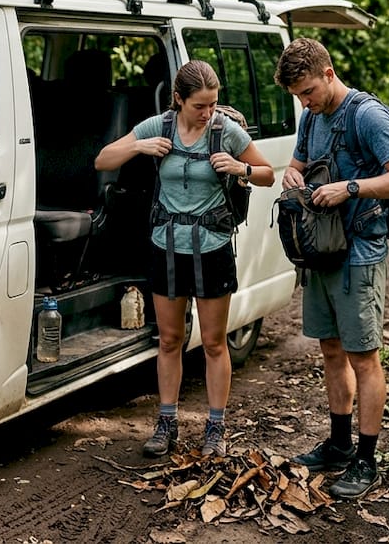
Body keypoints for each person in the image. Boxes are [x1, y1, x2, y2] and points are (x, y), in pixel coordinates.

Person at [95, 59, 274, 459]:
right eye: (200, 106)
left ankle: (215, 427)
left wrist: (240, 167)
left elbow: (267, 173)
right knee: (170, 339)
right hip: (166, 246)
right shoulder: (157, 127)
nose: (209, 113)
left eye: (213, 104)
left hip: (211, 248)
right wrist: (138, 147)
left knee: (213, 342)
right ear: (178, 99)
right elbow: (103, 160)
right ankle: (167, 422)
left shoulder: (225, 130)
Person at [272, 37, 389, 498]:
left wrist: (350, 188)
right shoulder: (311, 118)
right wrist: (291, 174)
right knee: (331, 350)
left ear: (329, 74)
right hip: (323, 252)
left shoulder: (367, 116)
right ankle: (338, 444)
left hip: (360, 251)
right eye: (298, 96)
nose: (305, 102)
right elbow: (295, 167)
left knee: (363, 356)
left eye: (309, 92)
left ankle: (366, 459)